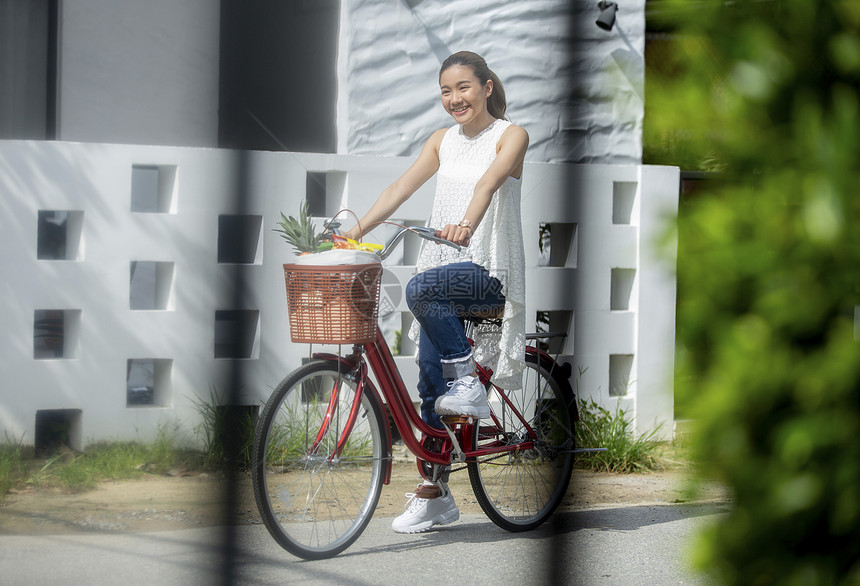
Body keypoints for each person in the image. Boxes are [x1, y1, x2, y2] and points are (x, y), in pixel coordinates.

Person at [345, 50, 528, 534]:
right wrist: (353, 230)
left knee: (420, 287)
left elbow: (490, 180)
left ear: (487, 87)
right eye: (446, 91)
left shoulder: (511, 135)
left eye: (464, 87)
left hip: (486, 269)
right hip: (441, 276)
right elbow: (400, 188)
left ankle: (468, 382)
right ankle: (436, 493)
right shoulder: (441, 141)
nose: (454, 99)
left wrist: (466, 223)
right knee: (428, 381)